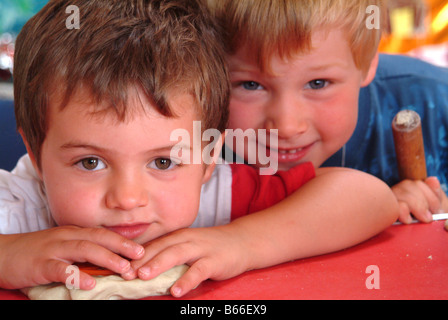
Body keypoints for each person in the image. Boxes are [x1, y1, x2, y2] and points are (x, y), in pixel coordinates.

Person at [0, 0, 399, 298]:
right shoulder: (21, 208)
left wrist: (243, 243)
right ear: (36, 156)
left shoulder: (217, 196)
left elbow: (370, 198)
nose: (127, 198)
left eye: (162, 161)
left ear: (209, 158)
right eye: (90, 162)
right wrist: (9, 255)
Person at [205, 0, 448, 225]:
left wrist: (433, 213)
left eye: (317, 83)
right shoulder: (188, 137)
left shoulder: (437, 101)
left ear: (367, 64)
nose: (288, 127)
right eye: (251, 85)